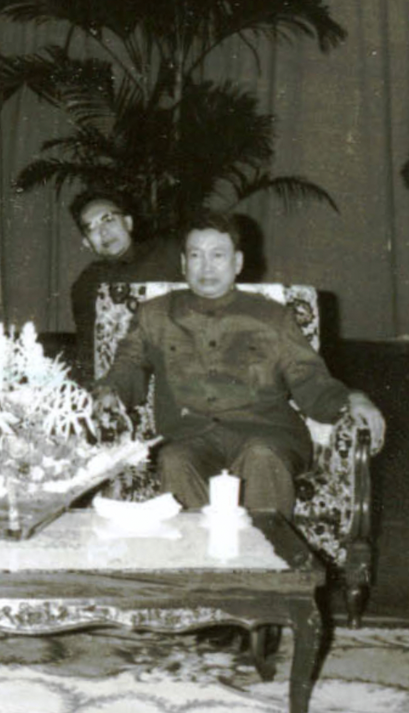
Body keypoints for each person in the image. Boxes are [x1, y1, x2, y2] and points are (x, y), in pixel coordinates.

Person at [93, 211, 386, 515]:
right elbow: (128, 365)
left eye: (218, 255)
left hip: (268, 434)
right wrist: (109, 391)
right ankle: (199, 561)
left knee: (260, 456)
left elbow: (309, 380)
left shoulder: (274, 317)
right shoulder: (154, 314)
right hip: (190, 436)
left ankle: (264, 559)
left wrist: (352, 399)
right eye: (196, 255)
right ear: (183, 264)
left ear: (238, 263)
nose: (206, 266)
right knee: (174, 460)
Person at [68, 190, 183, 383]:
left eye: (108, 219)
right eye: (91, 228)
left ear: (128, 223)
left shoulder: (169, 254)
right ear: (87, 243)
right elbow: (89, 352)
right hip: (119, 386)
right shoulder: (87, 284)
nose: (103, 231)